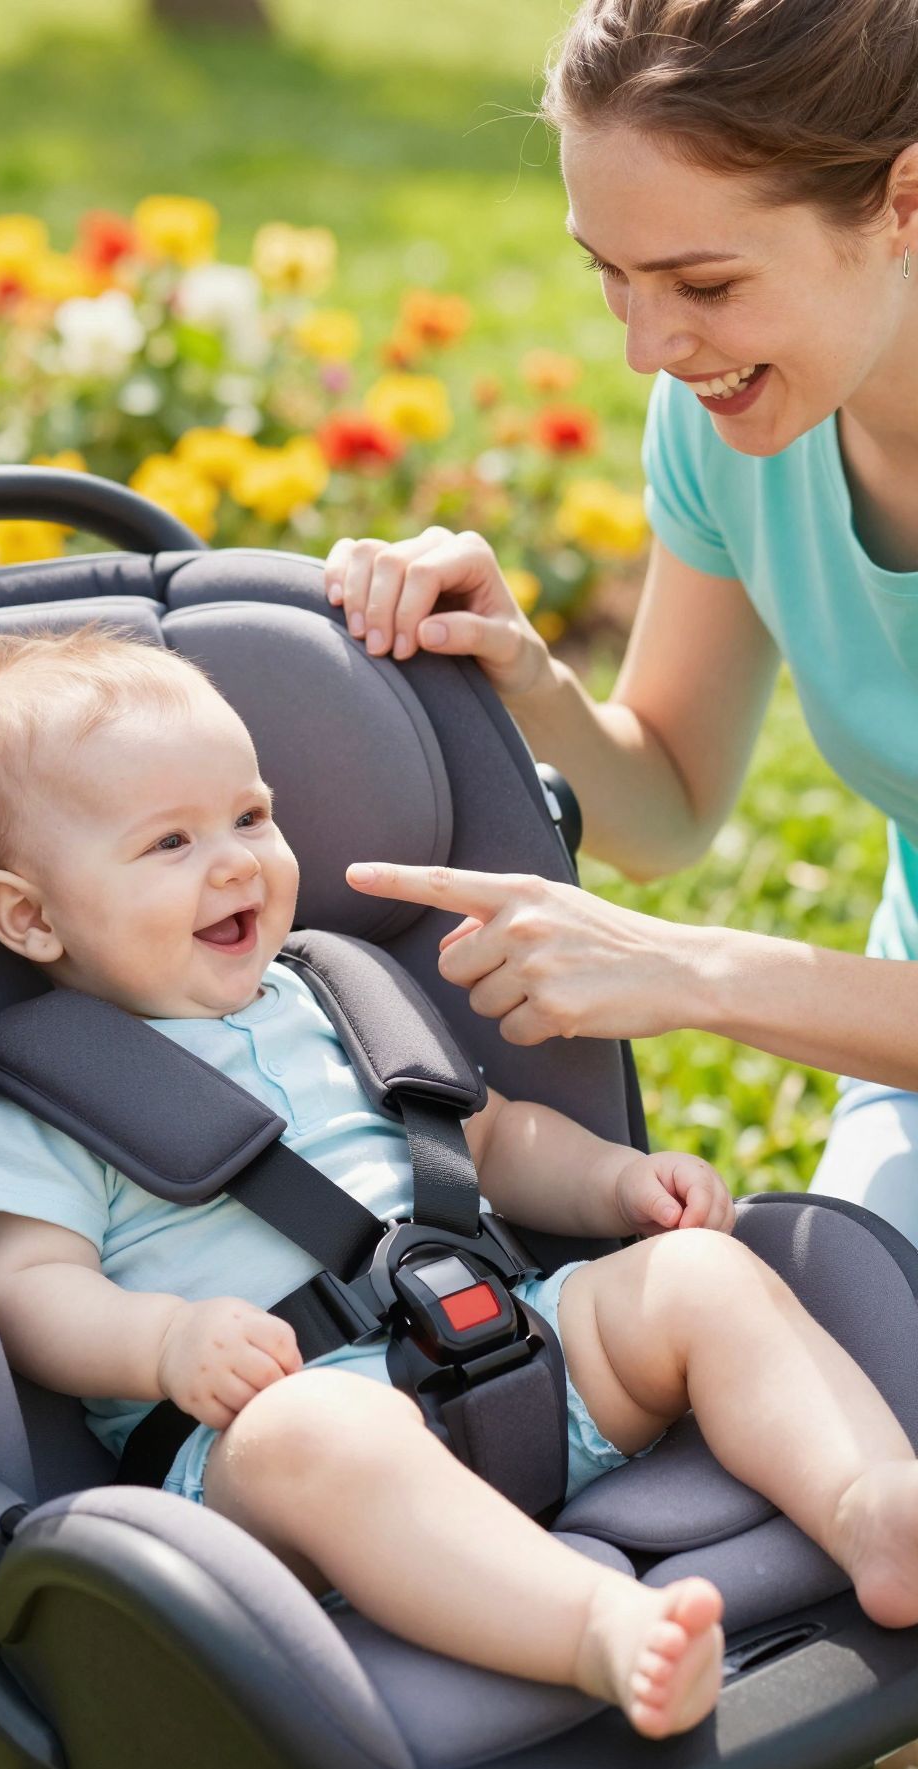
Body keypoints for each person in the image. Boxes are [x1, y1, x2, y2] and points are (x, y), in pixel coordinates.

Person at [0, 624, 918, 1744]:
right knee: (320, 1430)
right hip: (278, 1461)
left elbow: (492, 1143)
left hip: (515, 1350)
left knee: (699, 1275)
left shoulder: (334, 996)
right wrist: (160, 1343)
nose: (238, 862)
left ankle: (871, 1504)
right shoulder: (48, 1105)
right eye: (169, 841)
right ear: (30, 916)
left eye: (250, 815)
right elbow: (20, 1286)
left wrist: (618, 1183)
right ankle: (599, 1626)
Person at [325, 0, 918, 1255]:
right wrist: (525, 675)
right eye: (611, 272)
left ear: (905, 202)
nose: (651, 347)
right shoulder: (733, 424)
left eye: (705, 284)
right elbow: (668, 807)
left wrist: (695, 973)